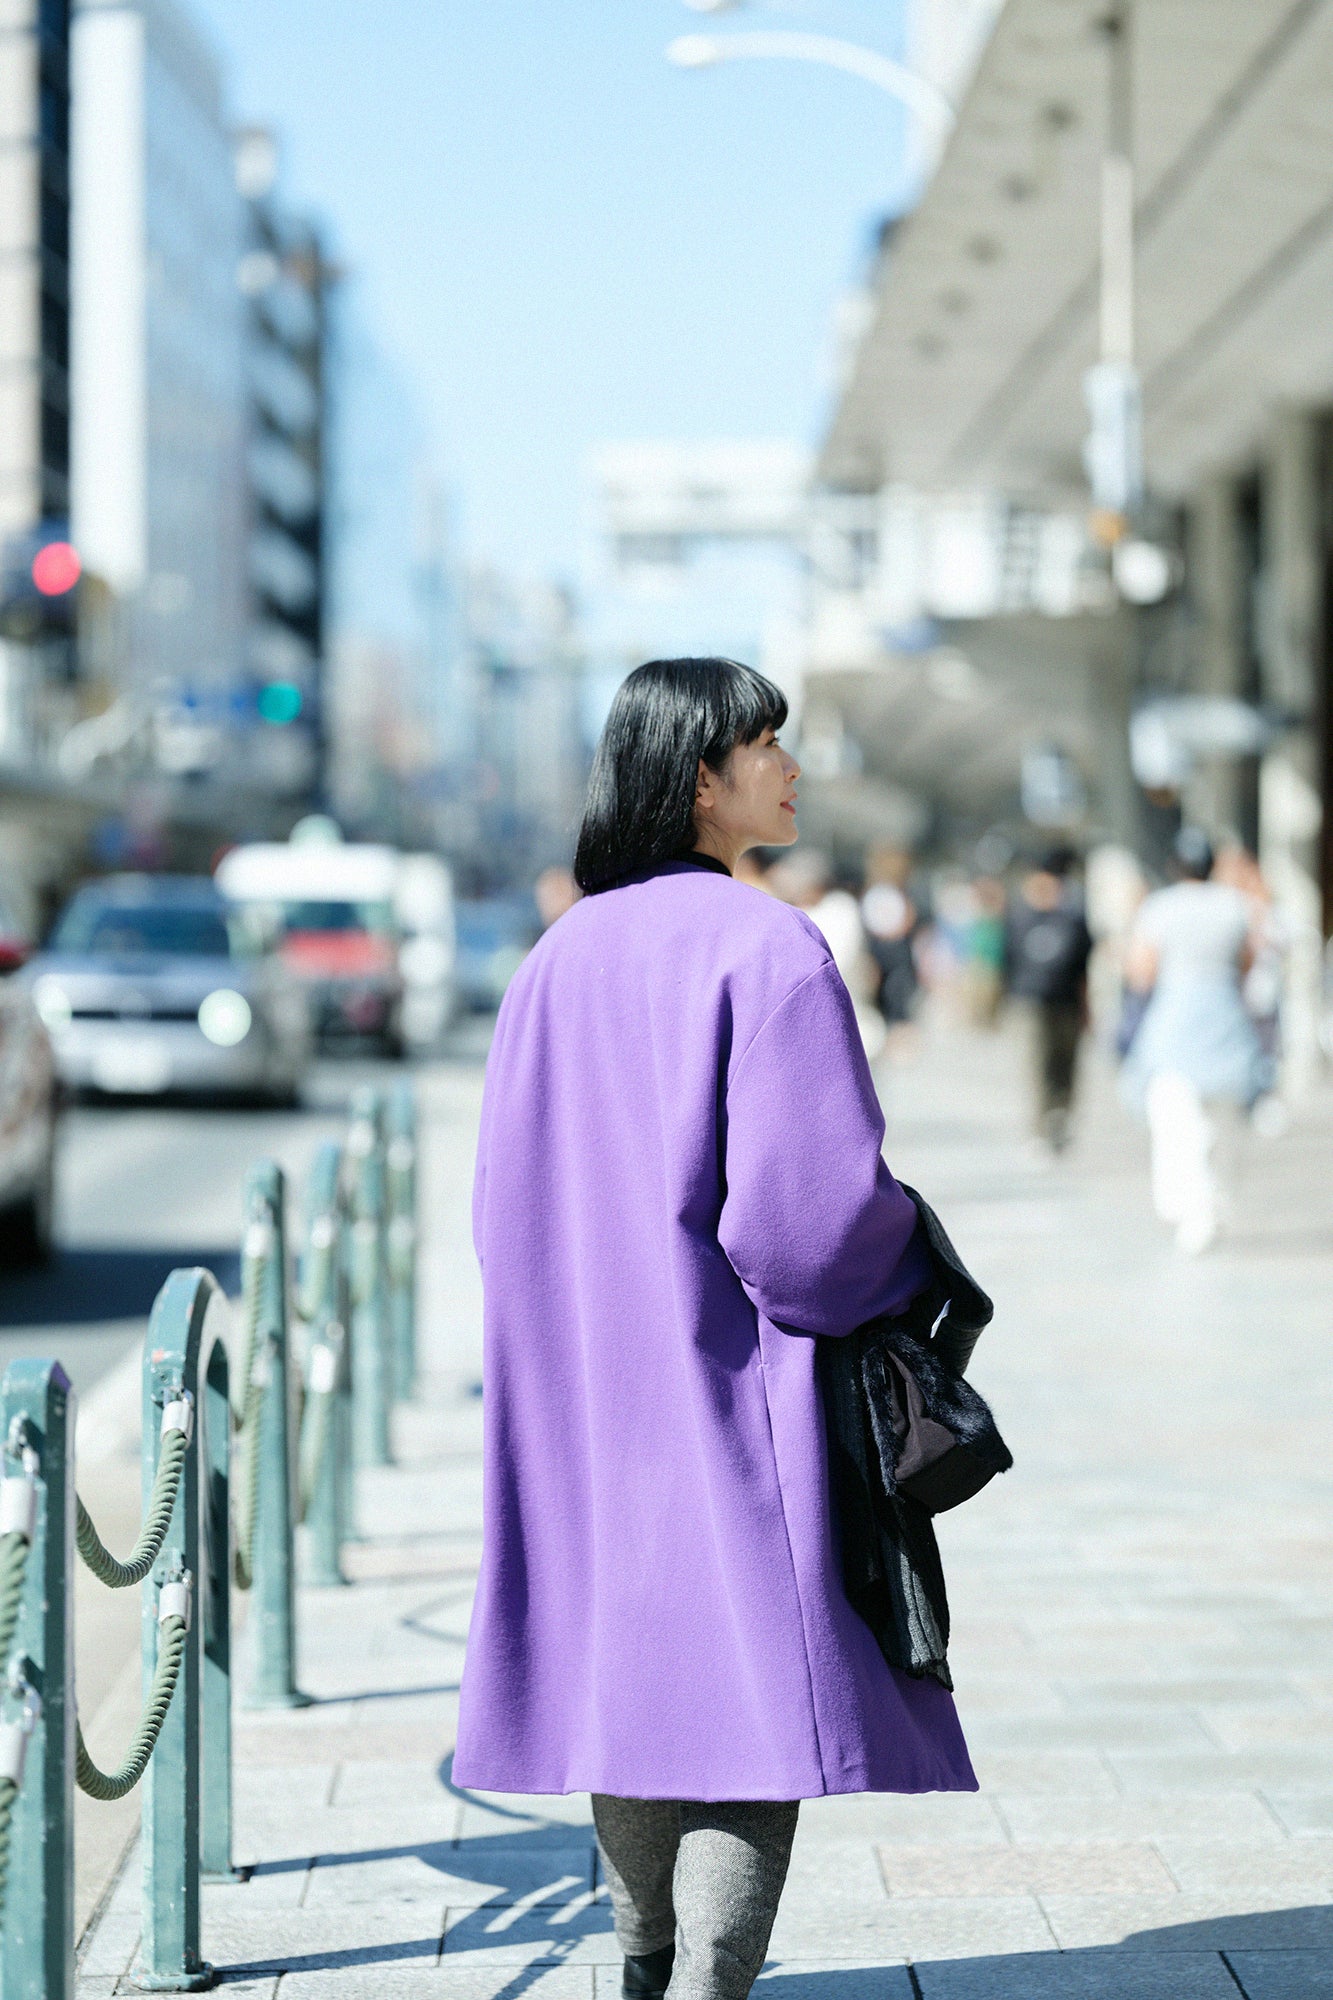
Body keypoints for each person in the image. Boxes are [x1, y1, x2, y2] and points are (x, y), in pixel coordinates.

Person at [454, 658, 975, 2000]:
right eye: (766, 744)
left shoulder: (556, 956)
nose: (790, 768)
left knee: (628, 1678)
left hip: (580, 1380)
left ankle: (643, 1965)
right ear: (700, 775)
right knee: (751, 1691)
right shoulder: (766, 946)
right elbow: (808, 1232)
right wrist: (911, 1246)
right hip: (736, 1379)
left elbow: (502, 1203)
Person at [1123, 827, 1264, 1254]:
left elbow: (1141, 972)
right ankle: (1214, 1203)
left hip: (1174, 1024)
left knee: (1175, 1122)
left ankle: (1189, 1207)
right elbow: (1248, 961)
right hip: (1226, 1021)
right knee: (1220, 1122)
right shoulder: (1235, 905)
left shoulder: (1160, 907)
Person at [1004, 847, 1094, 1152]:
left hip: (1066, 1001)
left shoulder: (1073, 917)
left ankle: (1061, 1118)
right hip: (1030, 1001)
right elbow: (1007, 960)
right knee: (1037, 1065)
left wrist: (1087, 1007)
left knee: (1066, 1064)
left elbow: (1083, 965)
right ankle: (1040, 1127)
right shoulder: (1018, 915)